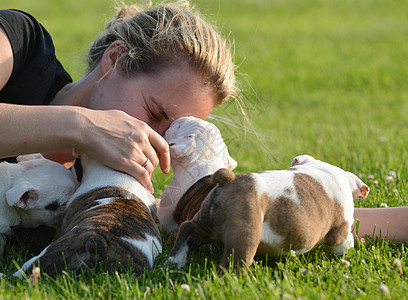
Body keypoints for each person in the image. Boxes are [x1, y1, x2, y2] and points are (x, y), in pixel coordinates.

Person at [0, 2, 238, 195]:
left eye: (168, 134)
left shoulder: (81, 196)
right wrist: (84, 128)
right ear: (115, 59)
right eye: (154, 113)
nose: (153, 141)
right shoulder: (23, 44)